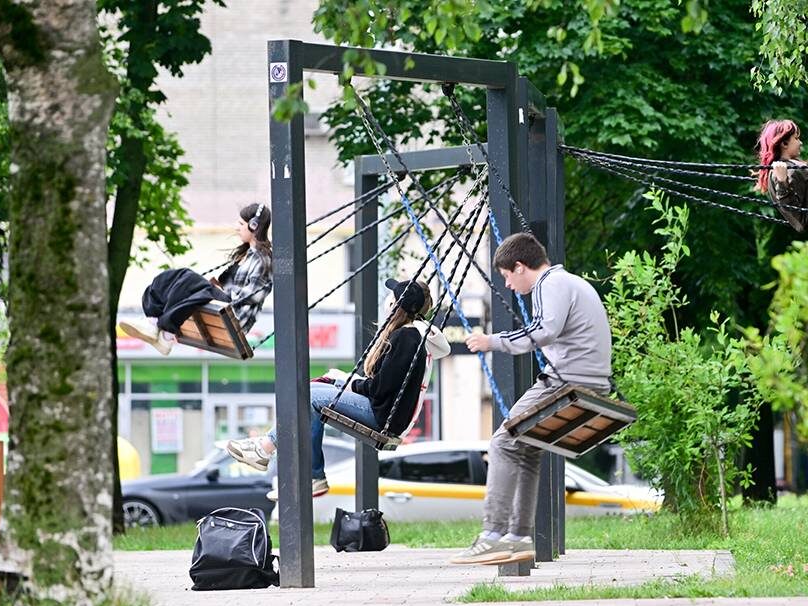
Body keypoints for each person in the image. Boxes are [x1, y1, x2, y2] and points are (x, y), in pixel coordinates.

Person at [450, 233, 613, 565]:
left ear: (520, 267)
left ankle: (492, 534)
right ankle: (518, 537)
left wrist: (491, 341)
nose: (508, 285)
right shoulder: (572, 282)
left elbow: (544, 330)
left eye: (507, 276)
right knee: (526, 448)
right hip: (591, 379)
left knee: (501, 441)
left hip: (569, 380)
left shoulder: (550, 284)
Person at [226, 279, 449, 497]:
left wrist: (348, 383)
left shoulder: (406, 337)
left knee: (308, 395)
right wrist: (343, 381)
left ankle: (266, 450)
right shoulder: (409, 336)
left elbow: (380, 389)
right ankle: (306, 474)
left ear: (394, 304)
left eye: (391, 296)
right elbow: (384, 386)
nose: (387, 299)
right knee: (309, 398)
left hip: (381, 417)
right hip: (383, 412)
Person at [119, 203, 273, 355]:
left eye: (241, 224)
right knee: (174, 276)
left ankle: (165, 334)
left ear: (254, 226)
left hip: (236, 315)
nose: (236, 228)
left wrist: (220, 290)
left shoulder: (262, 259)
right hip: (227, 303)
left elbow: (253, 295)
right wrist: (218, 285)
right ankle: (153, 323)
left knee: (190, 278)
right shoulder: (245, 255)